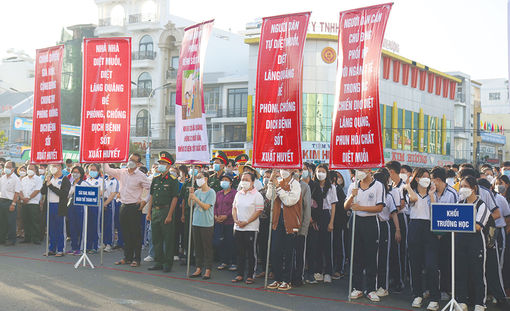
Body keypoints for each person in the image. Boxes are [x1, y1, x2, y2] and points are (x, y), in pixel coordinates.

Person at [344, 169, 385, 302]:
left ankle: (371, 289)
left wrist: (361, 208)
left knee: (371, 256)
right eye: (358, 170)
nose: (360, 172)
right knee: (356, 255)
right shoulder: (353, 185)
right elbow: (345, 206)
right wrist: (352, 196)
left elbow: (379, 207)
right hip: (356, 221)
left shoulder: (378, 185)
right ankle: (357, 287)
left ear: (369, 170)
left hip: (371, 222)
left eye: (363, 169)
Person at [106, 153, 151, 267]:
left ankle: (137, 259)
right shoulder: (122, 172)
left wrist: (144, 201)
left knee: (135, 234)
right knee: (125, 233)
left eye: (133, 160)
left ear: (138, 164)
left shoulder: (141, 175)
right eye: (130, 159)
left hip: (134, 207)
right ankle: (127, 257)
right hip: (123, 206)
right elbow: (107, 169)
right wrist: (104, 156)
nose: (130, 161)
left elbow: (151, 189)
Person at [405, 168, 440, 311]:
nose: (427, 179)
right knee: (415, 264)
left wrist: (431, 195)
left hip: (429, 228)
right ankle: (417, 294)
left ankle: (434, 297)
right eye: (423, 177)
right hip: (415, 227)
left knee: (431, 265)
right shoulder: (410, 193)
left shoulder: (433, 195)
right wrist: (408, 186)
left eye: (428, 177)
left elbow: (436, 211)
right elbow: (413, 199)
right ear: (417, 178)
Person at [455, 176, 491, 311]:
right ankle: (462, 300)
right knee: (461, 272)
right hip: (460, 241)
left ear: (473, 188)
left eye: (465, 186)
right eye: (461, 186)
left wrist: (460, 222)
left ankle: (480, 303)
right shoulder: (459, 204)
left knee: (477, 273)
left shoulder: (482, 205)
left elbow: (477, 226)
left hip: (475, 243)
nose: (462, 189)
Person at [267, 169, 302, 291]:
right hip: (278, 219)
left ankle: (287, 280)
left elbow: (289, 201)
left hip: (290, 221)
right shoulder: (278, 182)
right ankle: (277, 278)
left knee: (288, 252)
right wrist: (271, 183)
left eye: (286, 169)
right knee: (275, 251)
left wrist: (278, 187)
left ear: (292, 170)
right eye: (281, 168)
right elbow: (269, 197)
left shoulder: (296, 184)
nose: (283, 171)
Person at [146, 152, 180, 273]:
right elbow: (151, 196)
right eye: (160, 163)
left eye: (163, 163)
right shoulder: (155, 179)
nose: (161, 165)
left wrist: (170, 215)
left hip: (166, 210)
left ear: (169, 165)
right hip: (155, 210)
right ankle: (158, 261)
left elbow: (175, 198)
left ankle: (167, 263)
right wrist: (149, 212)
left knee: (168, 238)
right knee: (156, 238)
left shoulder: (173, 180)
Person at [430, 166, 458, 299]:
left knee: (446, 263)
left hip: (447, 234)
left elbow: (455, 214)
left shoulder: (452, 193)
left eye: (432, 179)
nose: (430, 182)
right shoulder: (431, 192)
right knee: (433, 263)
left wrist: (445, 231)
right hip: (433, 233)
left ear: (438, 179)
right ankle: (433, 289)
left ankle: (446, 289)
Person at [231, 172, 264, 284]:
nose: (244, 181)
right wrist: (235, 220)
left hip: (251, 227)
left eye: (247, 179)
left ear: (252, 182)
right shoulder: (238, 193)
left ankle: (250, 275)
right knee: (240, 252)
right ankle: (240, 274)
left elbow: (258, 211)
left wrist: (246, 222)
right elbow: (234, 208)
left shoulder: (257, 195)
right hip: (238, 227)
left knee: (251, 253)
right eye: (243, 179)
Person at [308, 164, 337, 284]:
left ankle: (328, 272)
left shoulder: (331, 187)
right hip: (316, 216)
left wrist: (331, 222)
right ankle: (318, 271)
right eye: (318, 171)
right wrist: (312, 218)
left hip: (326, 215)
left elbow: (333, 206)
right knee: (316, 245)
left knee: (327, 245)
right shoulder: (313, 186)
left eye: (323, 171)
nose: (320, 173)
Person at [373, 168, 399, 298]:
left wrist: (398, 230)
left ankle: (383, 286)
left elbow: (394, 213)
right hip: (372, 225)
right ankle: (373, 284)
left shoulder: (388, 196)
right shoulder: (373, 194)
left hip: (384, 226)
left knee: (383, 257)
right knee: (373, 256)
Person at [189, 171, 216, 279]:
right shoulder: (197, 192)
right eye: (197, 178)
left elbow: (206, 207)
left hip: (206, 223)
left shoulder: (211, 192)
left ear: (206, 179)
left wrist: (195, 199)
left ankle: (208, 269)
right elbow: (190, 205)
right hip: (196, 221)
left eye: (200, 177)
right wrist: (191, 195)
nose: (198, 179)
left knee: (207, 247)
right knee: (198, 246)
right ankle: (198, 268)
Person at [41, 164, 71, 256]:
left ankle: (60, 249)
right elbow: (43, 191)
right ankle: (51, 248)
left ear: (60, 167)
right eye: (52, 166)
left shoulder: (65, 179)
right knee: (51, 229)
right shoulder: (49, 178)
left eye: (55, 166)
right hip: (50, 205)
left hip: (59, 207)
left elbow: (63, 194)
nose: (53, 168)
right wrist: (47, 183)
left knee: (60, 229)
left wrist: (51, 186)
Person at [385, 160, 406, 292]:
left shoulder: (403, 186)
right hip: (390, 218)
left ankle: (400, 280)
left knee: (399, 251)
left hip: (399, 218)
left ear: (391, 171)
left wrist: (391, 212)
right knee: (391, 251)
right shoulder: (391, 185)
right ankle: (393, 276)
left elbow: (401, 205)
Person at [213, 172, 237, 271]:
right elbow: (215, 206)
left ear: (231, 183)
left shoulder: (235, 193)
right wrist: (215, 215)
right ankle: (224, 261)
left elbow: (234, 207)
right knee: (220, 242)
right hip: (219, 221)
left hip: (230, 221)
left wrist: (226, 215)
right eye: (223, 180)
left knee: (230, 242)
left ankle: (233, 262)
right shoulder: (219, 193)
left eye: (226, 180)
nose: (224, 182)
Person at [292, 168, 311, 287]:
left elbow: (307, 208)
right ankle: (289, 276)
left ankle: (299, 277)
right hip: (288, 226)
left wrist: (304, 228)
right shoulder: (285, 184)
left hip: (300, 227)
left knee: (299, 253)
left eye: (296, 170)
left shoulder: (304, 187)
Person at [67, 166, 88, 255]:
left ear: (81, 173)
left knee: (81, 228)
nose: (75, 174)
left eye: (77, 172)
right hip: (71, 206)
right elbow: (67, 195)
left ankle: (81, 248)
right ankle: (73, 247)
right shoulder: (70, 183)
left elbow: (91, 192)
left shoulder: (84, 183)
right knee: (72, 228)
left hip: (80, 207)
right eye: (73, 172)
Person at [19, 164, 42, 244]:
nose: (30, 170)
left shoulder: (38, 179)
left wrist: (28, 198)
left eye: (32, 169)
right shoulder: (24, 179)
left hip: (33, 202)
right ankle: (27, 237)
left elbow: (37, 190)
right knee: (25, 220)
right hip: (24, 202)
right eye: (29, 168)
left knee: (34, 221)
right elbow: (20, 190)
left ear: (35, 170)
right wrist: (22, 198)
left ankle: (36, 238)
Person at [0, 161, 21, 246]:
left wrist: (13, 204)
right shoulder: (2, 177)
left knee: (11, 222)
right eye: (5, 166)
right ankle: (2, 238)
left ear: (13, 169)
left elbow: (16, 192)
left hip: (10, 202)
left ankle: (11, 239)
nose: (6, 168)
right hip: (2, 201)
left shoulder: (16, 179)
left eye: (8, 167)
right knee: (2, 221)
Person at [102, 171, 119, 252]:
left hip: (110, 202)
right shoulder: (104, 179)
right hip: (103, 201)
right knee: (103, 224)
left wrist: (105, 204)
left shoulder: (115, 181)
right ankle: (104, 242)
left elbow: (113, 194)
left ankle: (109, 243)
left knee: (109, 223)